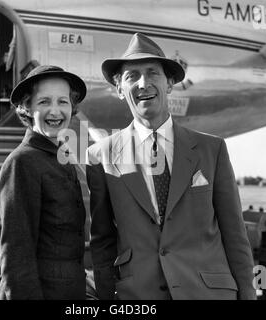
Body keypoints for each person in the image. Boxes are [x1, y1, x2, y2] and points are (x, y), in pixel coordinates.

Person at [86, 33, 256, 300]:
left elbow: (235, 234)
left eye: (153, 73)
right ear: (120, 90)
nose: (143, 83)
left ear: (170, 83)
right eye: (132, 76)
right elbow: (102, 242)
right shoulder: (100, 156)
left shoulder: (212, 150)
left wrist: (247, 294)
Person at [0, 65, 87, 300]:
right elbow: (17, 255)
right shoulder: (22, 162)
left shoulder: (59, 158)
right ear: (27, 108)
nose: (55, 111)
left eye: (63, 102)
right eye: (44, 102)